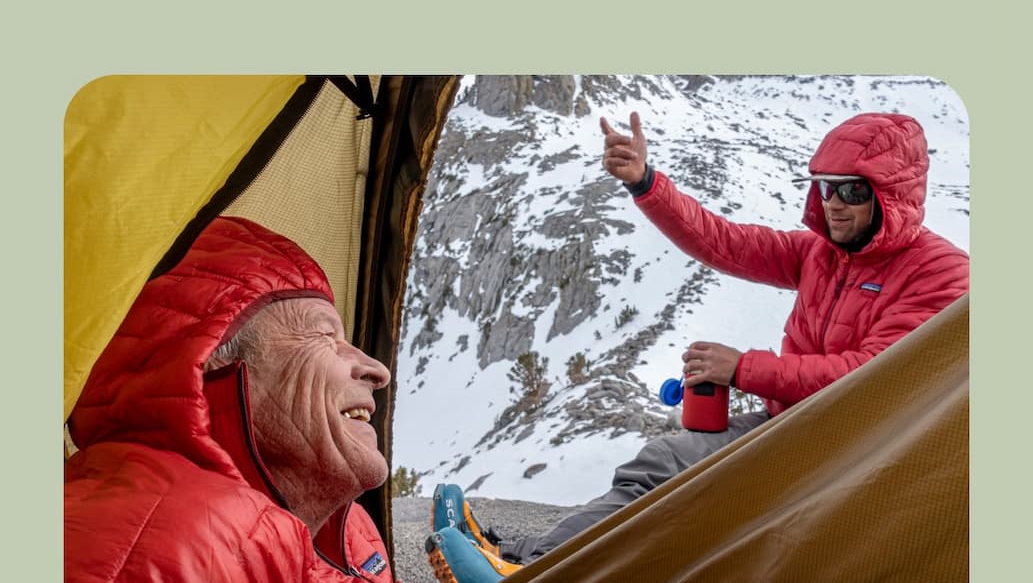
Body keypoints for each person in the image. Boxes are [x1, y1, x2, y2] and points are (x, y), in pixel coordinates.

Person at [423, 111, 970, 582]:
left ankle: (531, 571)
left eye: (852, 191)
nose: (834, 205)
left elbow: (871, 378)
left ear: (893, 195)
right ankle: (517, 555)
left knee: (673, 470)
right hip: (797, 425)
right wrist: (645, 182)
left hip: (853, 447)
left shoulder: (941, 274)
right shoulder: (824, 254)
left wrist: (743, 369)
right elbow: (724, 242)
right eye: (825, 188)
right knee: (661, 464)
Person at [64, 216, 397, 582]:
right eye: (324, 335)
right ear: (208, 361)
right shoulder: (171, 547)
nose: (378, 371)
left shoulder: (352, 536)